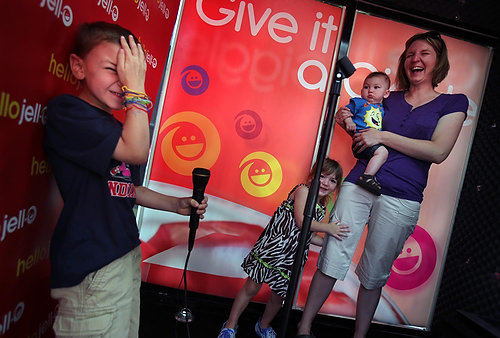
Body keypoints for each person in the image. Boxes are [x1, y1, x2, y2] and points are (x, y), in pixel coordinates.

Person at [296, 31, 468, 338]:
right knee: (332, 255)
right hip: (359, 184)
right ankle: (304, 327)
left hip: (403, 196)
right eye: (411, 54)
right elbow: (366, 132)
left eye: (425, 53)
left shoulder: (453, 102)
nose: (416, 59)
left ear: (438, 61)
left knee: (374, 272)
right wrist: (348, 120)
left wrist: (384, 137)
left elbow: (438, 151)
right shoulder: (389, 97)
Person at [44, 22, 208, 337]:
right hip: (93, 268)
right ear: (78, 67)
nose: (122, 83)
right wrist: (136, 89)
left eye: (129, 72)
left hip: (123, 255)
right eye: (112, 69)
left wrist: (175, 204)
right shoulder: (68, 112)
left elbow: (123, 188)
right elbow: (136, 151)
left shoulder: (108, 123)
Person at [218, 158, 349, 338]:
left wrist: (329, 239)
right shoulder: (303, 190)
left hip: (291, 256)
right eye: (323, 176)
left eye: (332, 180)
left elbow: (308, 237)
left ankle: (263, 325)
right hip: (272, 249)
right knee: (251, 287)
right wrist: (328, 228)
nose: (326, 183)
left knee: (279, 296)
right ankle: (231, 324)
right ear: (313, 176)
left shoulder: (322, 207)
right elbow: (302, 221)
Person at [344, 72, 391, 195]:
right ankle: (367, 177)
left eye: (376, 87)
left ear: (386, 93)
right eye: (366, 87)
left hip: (372, 142)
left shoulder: (382, 109)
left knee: (381, 153)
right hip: (361, 141)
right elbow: (345, 112)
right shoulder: (359, 102)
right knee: (383, 152)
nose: (370, 91)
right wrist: (349, 121)